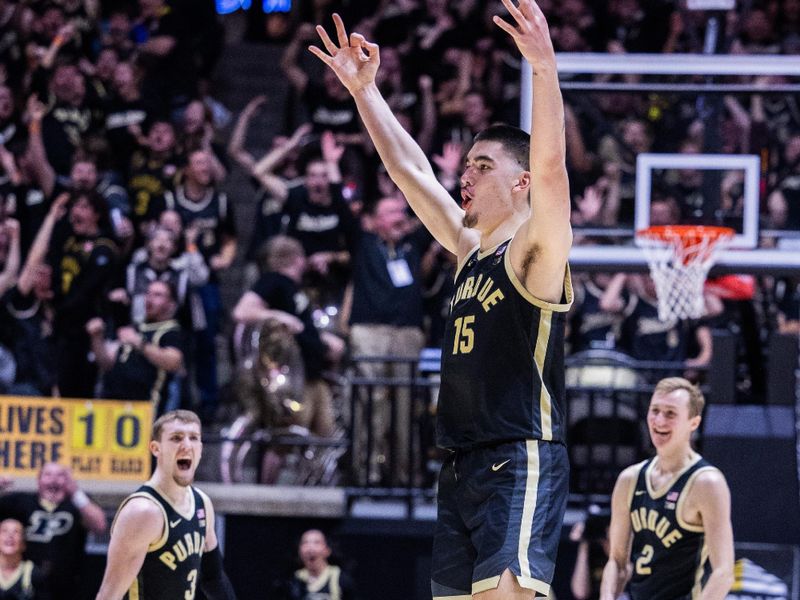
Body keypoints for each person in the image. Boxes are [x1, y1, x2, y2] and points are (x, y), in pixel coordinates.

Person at [309, 2, 573, 598]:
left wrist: (544, 69)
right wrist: (364, 93)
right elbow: (411, 172)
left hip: (519, 454)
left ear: (521, 181)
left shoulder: (537, 249)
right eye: (468, 164)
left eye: (483, 165)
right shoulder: (467, 246)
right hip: (459, 464)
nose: (466, 175)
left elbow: (554, 168)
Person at [599, 377, 735, 600]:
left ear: (693, 422)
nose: (659, 420)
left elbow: (723, 573)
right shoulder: (630, 479)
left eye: (670, 413)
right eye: (655, 410)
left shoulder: (706, 483)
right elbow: (617, 561)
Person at [95, 410, 236, 600]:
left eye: (193, 438)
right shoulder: (143, 512)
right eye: (176, 438)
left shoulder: (201, 502)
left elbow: (214, 578)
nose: (186, 445)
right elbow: (108, 596)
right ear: (155, 448)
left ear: (201, 448)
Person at [0, 464, 107, 600]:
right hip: (28, 584)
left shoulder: (75, 505)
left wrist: (76, 492)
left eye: (60, 475)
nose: (53, 480)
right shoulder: (22, 502)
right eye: (48, 475)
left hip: (70, 584)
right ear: (38, 480)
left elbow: (100, 526)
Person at [86, 280, 185, 416]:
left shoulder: (171, 331)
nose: (150, 299)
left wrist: (139, 343)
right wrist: (96, 338)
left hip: (144, 410)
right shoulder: (135, 327)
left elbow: (174, 362)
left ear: (171, 303)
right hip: (113, 406)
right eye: (148, 294)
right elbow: (107, 363)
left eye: (158, 295)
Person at [273, 529, 356, 600]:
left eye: (316, 543)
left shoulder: (340, 579)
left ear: (327, 550)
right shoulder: (293, 580)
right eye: (305, 543)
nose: (310, 548)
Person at [0, 518, 49, 600]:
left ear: (23, 544)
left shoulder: (35, 574)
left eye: (16, 532)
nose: (10, 536)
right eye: (4, 531)